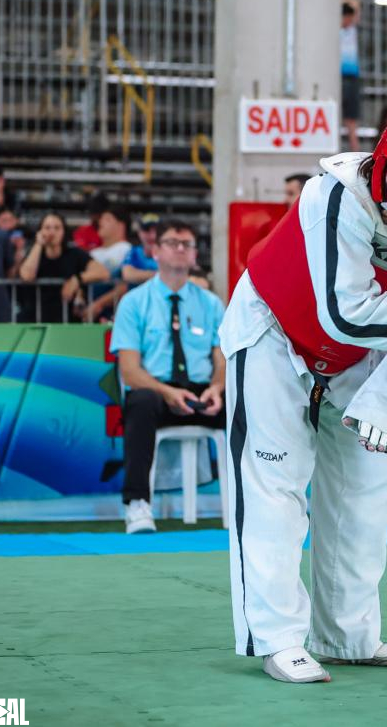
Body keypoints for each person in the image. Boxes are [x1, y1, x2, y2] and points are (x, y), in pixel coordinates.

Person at [219, 104, 387, 683]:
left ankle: (348, 636)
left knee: (368, 491)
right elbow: (343, 312)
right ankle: (278, 639)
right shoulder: (333, 194)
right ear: (386, 152)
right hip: (275, 330)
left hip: (362, 357)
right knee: (273, 485)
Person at [110, 220, 227, 534]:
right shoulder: (134, 303)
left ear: (193, 256)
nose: (180, 249)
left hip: (203, 391)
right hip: (157, 391)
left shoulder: (211, 304)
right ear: (155, 251)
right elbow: (130, 371)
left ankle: (252, 501)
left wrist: (217, 387)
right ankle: (137, 504)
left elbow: (222, 358)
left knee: (242, 400)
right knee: (140, 399)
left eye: (187, 245)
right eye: (173, 242)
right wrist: (166, 392)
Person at [16, 212, 109, 323]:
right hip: (35, 318)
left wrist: (77, 279)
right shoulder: (34, 253)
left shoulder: (74, 253)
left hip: (67, 320)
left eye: (57, 228)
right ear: (40, 231)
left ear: (64, 232)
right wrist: (38, 244)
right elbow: (27, 276)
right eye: (47, 228)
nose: (52, 232)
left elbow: (103, 272)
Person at [84, 204, 134, 322]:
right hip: (91, 313)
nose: (100, 222)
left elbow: (125, 284)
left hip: (114, 313)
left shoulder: (128, 250)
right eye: (101, 219)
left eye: (107, 219)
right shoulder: (93, 252)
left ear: (121, 225)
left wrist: (98, 304)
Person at [341, 0, 362, 152]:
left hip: (352, 77)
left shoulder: (352, 29)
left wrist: (346, 2)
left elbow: (355, 2)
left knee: (351, 119)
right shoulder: (335, 29)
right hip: (339, 77)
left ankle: (355, 151)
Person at [120, 213, 161, 285]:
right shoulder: (134, 252)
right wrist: (162, 275)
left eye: (157, 231)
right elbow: (127, 275)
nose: (152, 236)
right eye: (147, 230)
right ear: (139, 232)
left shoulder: (170, 252)